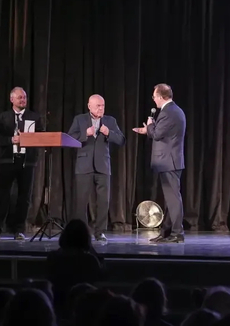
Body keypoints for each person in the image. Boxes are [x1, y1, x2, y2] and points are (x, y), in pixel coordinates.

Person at [0, 87, 44, 240]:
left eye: (24, 97)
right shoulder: (4, 117)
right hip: (8, 161)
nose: (23, 100)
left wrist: (29, 139)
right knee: (2, 195)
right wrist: (11, 140)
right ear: (12, 99)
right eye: (20, 97)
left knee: (24, 197)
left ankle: (19, 230)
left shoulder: (34, 117)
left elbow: (41, 136)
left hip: (27, 162)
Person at [133, 83, 186, 243]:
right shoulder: (174, 111)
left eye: (155, 96)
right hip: (171, 161)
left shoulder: (169, 112)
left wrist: (150, 125)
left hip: (169, 162)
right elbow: (162, 133)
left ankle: (177, 233)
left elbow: (156, 134)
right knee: (171, 199)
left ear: (162, 97)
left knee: (173, 199)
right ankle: (167, 232)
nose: (153, 99)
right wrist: (149, 130)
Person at [68, 94, 125, 242]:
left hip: (103, 166)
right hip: (84, 165)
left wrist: (108, 133)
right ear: (89, 106)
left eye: (103, 106)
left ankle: (100, 232)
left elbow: (121, 139)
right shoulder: (80, 119)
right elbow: (69, 138)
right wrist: (84, 134)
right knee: (81, 202)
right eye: (98, 106)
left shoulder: (110, 121)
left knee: (103, 201)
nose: (101, 108)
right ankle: (81, 233)